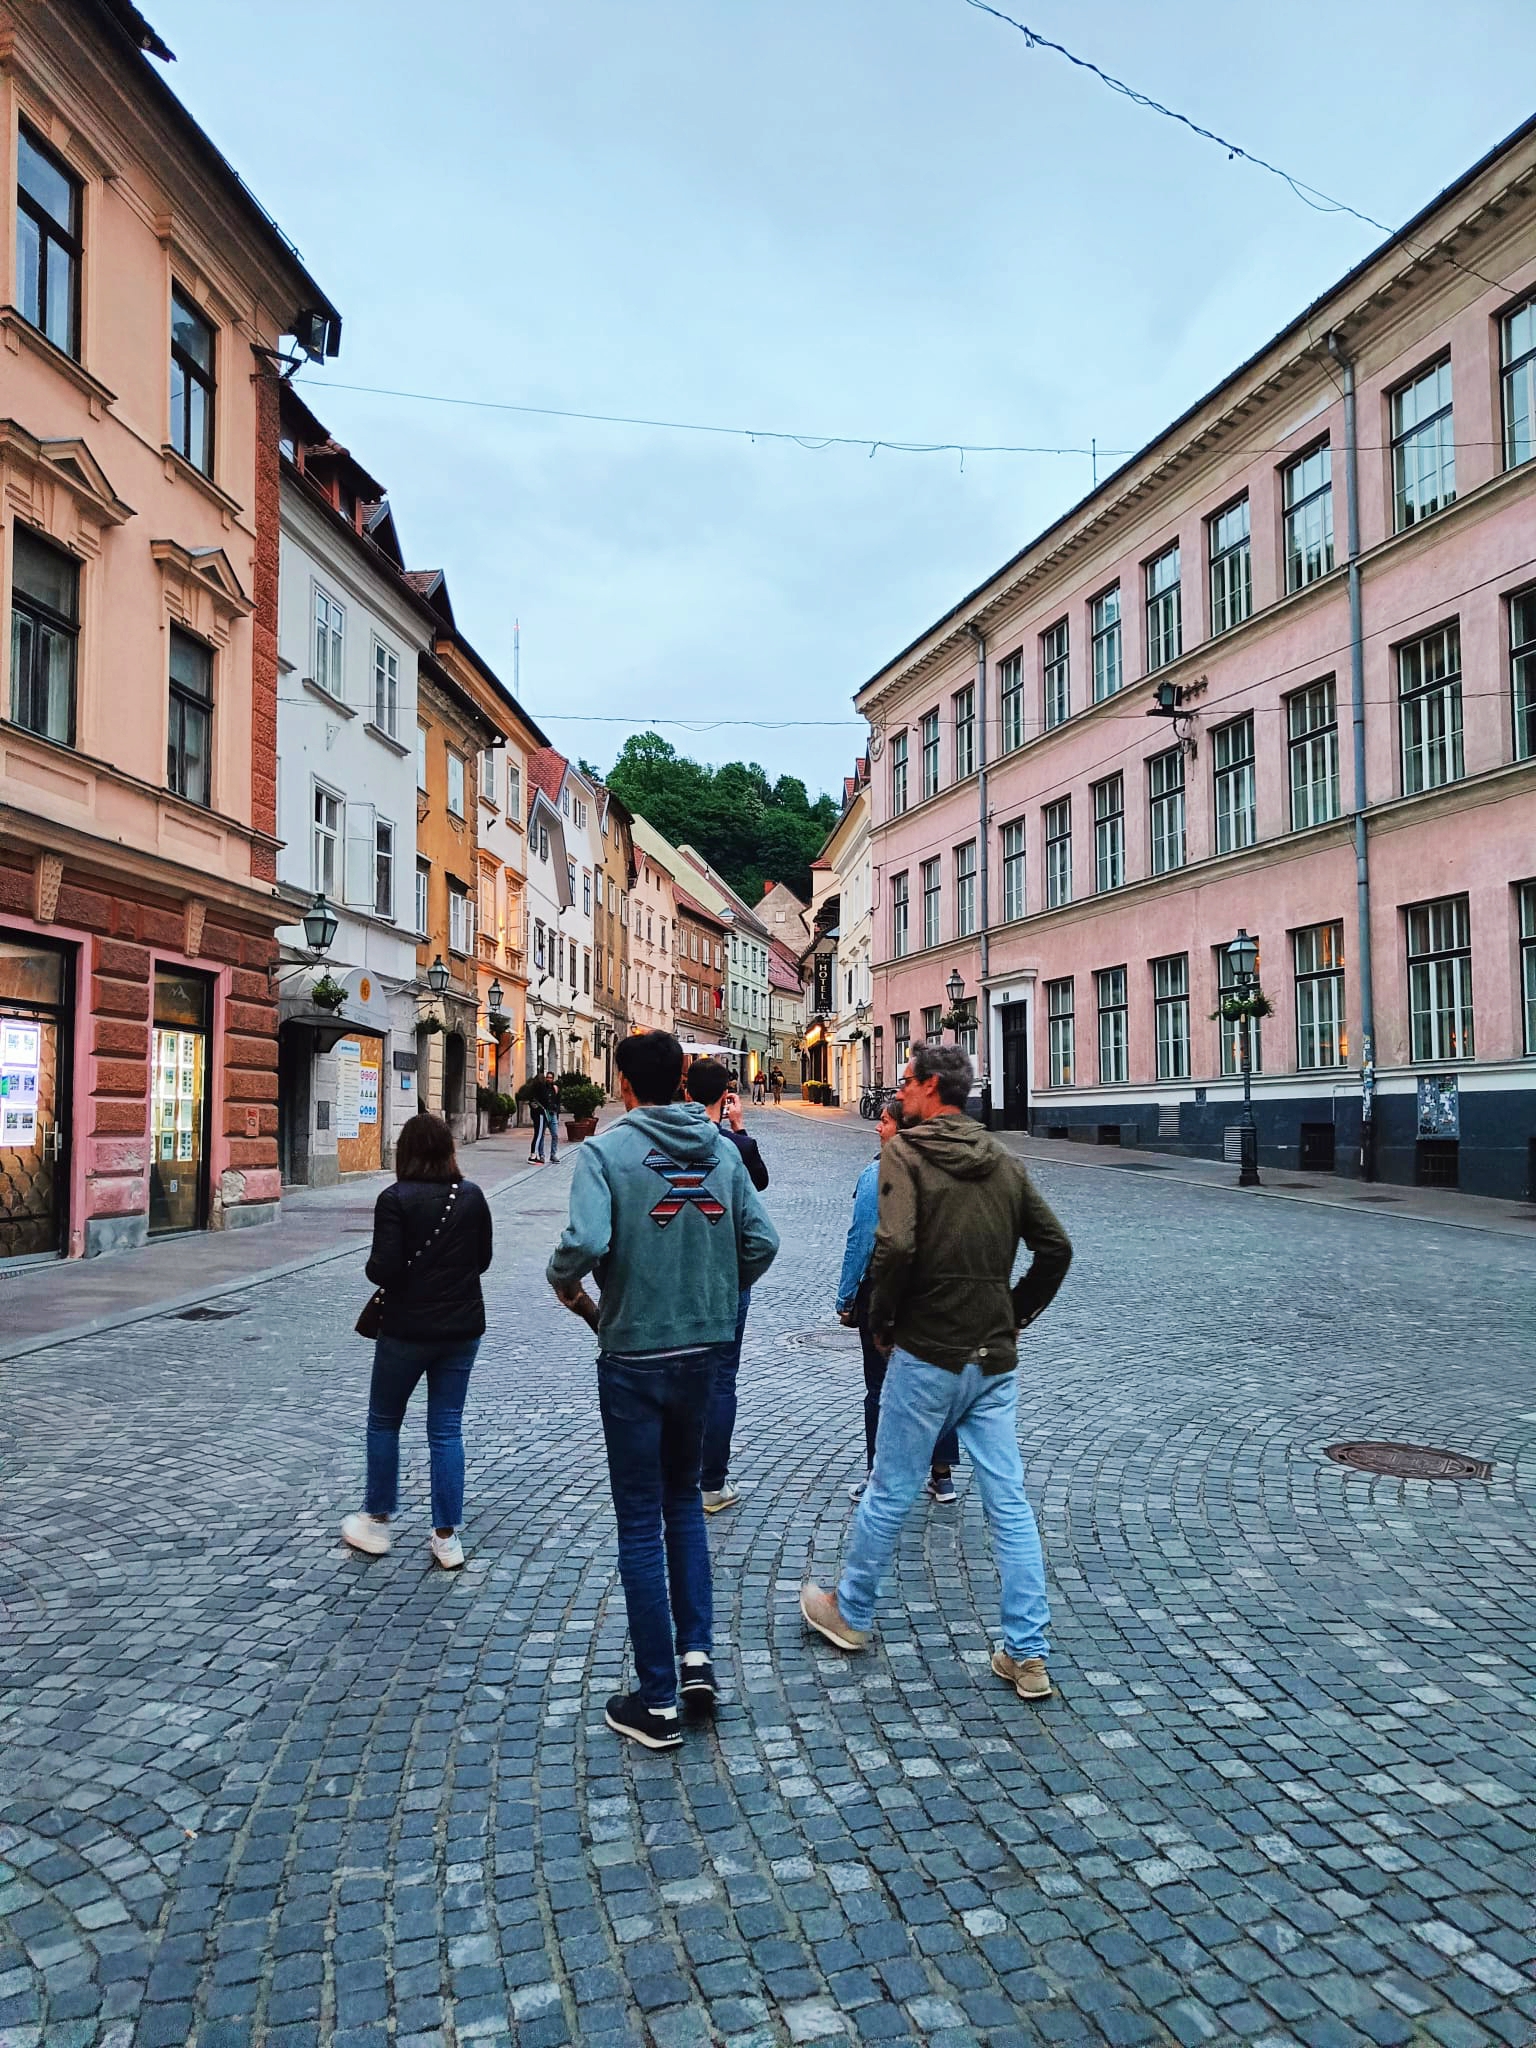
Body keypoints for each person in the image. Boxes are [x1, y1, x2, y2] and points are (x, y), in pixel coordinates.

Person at [801, 1043, 1072, 1703]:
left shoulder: (907, 1153)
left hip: (927, 1351)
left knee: (891, 1487)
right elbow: (1055, 1248)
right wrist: (1015, 1313)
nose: (901, 1093)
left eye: (906, 1082)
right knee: (1009, 1502)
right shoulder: (1003, 1159)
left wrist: (883, 1321)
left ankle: (850, 1611)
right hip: (992, 1358)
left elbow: (894, 1245)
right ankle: (1027, 1653)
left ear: (928, 1087)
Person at [548, 1030, 779, 1750]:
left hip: (635, 1355)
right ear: (680, 1080)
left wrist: (567, 1285)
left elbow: (585, 1243)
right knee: (684, 1505)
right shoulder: (719, 1149)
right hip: (704, 1351)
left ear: (624, 1084)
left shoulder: (605, 1153)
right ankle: (697, 1660)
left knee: (641, 1520)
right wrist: (716, 1292)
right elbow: (762, 1242)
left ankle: (656, 1700)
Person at [342, 1112, 494, 1570]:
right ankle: (446, 1537)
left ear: (405, 1152)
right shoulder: (472, 1195)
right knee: (446, 1429)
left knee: (384, 1422)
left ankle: (376, 1520)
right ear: (449, 1150)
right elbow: (483, 1260)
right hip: (461, 1329)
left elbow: (383, 1270)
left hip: (406, 1329)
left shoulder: (394, 1199)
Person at [836, 1101, 960, 1505]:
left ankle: (880, 1476)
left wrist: (846, 1296)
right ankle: (941, 1476)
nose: (878, 1128)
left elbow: (861, 1240)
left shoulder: (877, 1174)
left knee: (881, 1385)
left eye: (885, 1121)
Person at [683, 1059, 768, 1514]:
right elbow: (760, 1192)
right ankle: (711, 1482)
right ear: (726, 1095)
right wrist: (740, 1128)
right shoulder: (735, 1147)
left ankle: (675, 1477)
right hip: (726, 1277)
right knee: (721, 1380)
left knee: (679, 1373)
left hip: (679, 1273)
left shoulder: (664, 1141)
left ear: (686, 1092)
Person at [530, 1070, 561, 1165]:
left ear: (553, 1079)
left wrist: (556, 1110)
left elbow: (558, 1101)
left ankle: (553, 1154)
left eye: (550, 1078)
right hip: (544, 1114)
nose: (548, 1079)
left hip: (552, 1114)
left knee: (555, 1135)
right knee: (541, 1135)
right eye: (547, 1077)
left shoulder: (555, 1088)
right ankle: (541, 1155)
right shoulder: (542, 1088)